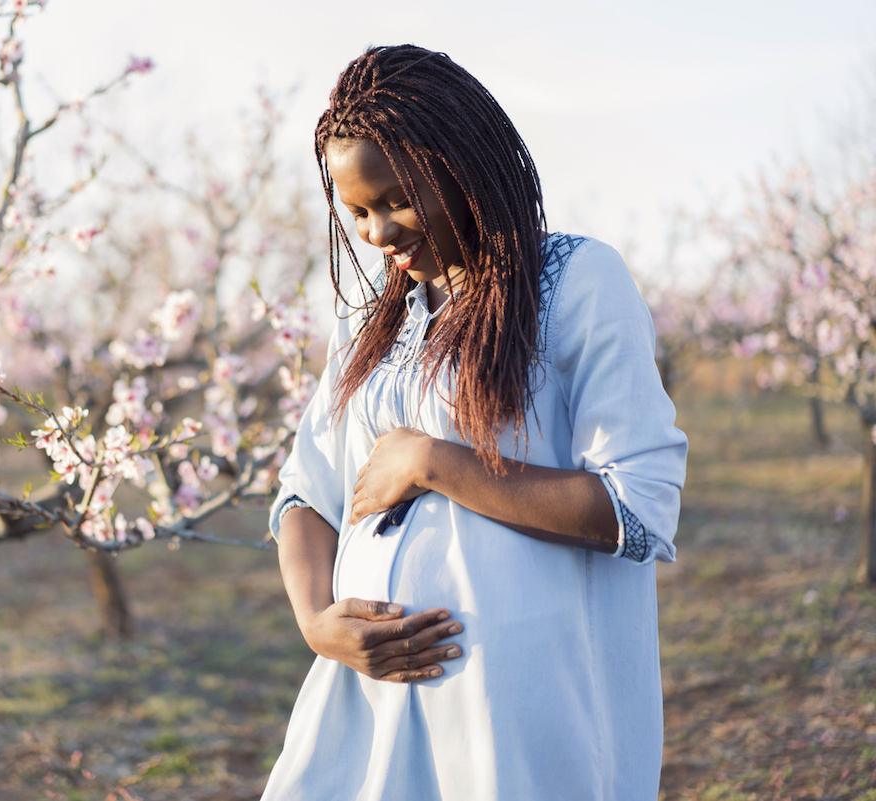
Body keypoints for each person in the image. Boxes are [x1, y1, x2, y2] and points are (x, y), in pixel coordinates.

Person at [263, 45, 688, 801]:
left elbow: (636, 507)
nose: (377, 233)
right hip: (368, 696)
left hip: (520, 702)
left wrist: (434, 462)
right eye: (356, 212)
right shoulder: (366, 323)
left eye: (394, 198)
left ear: (456, 161)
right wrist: (316, 621)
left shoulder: (574, 283)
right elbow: (306, 493)